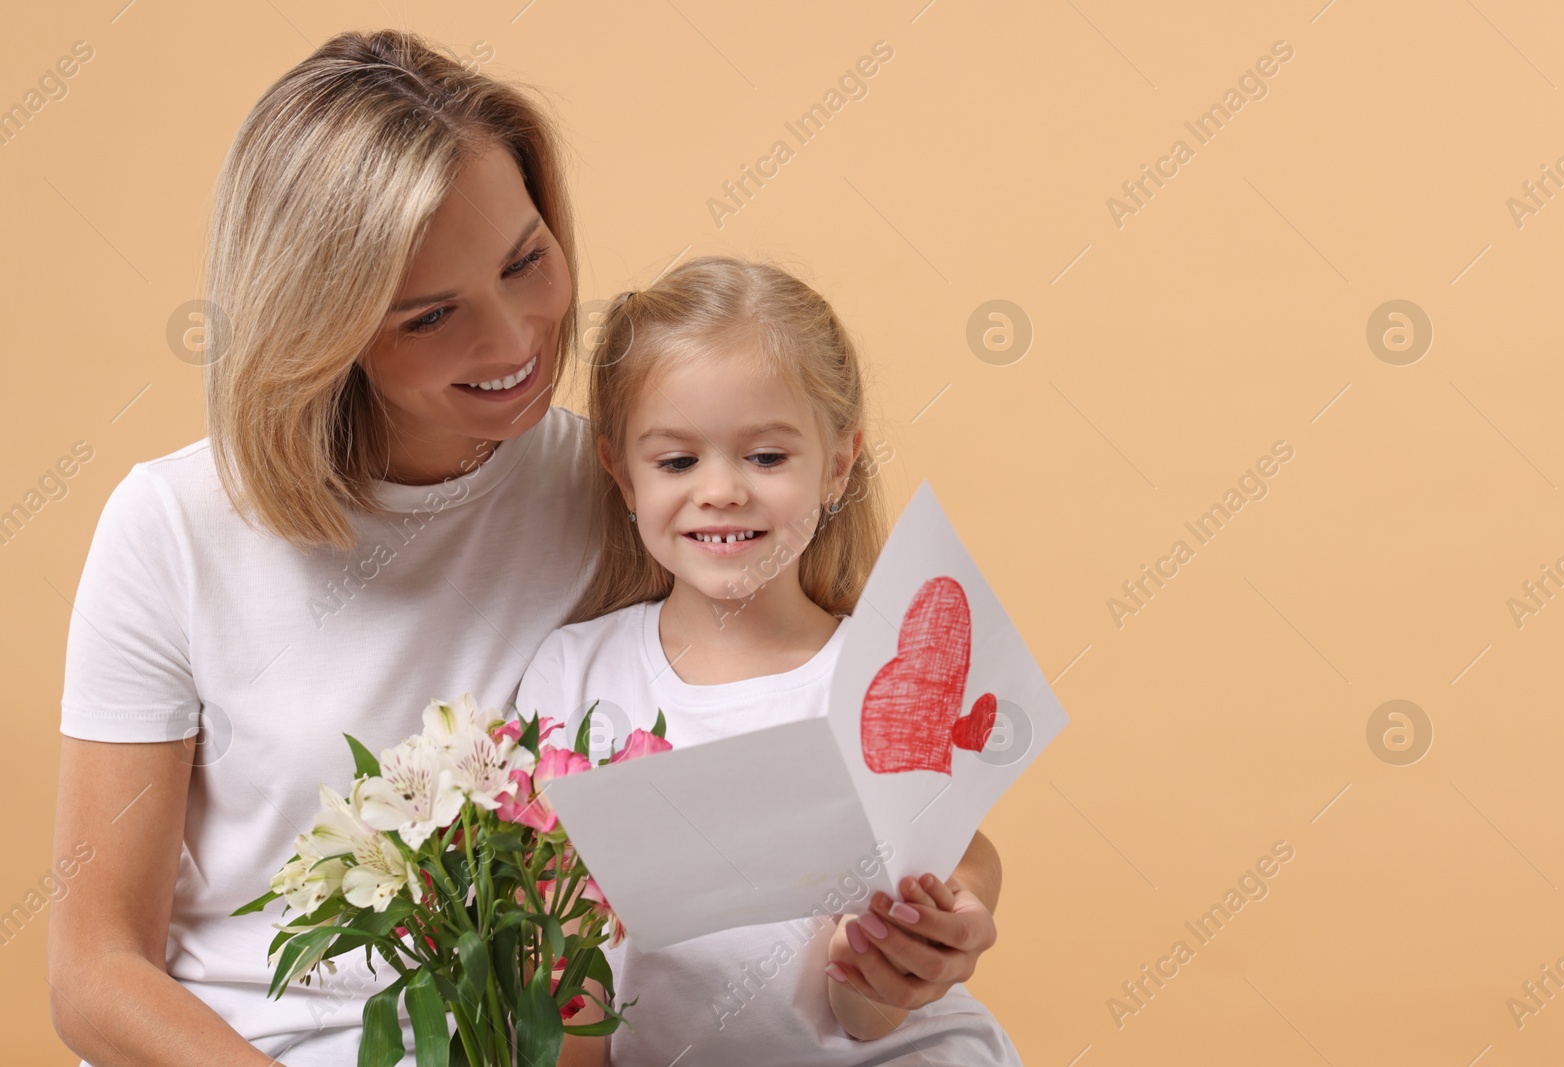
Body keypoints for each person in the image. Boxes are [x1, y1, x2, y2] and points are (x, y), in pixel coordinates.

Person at [47, 29, 1007, 1067]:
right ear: (320, 329)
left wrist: (924, 929)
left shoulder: (631, 482)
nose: (513, 342)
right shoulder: (174, 527)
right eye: (430, 315)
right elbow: (95, 971)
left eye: (526, 261)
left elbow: (838, 776)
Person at [516, 256, 1023, 1066]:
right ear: (621, 472)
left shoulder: (877, 680)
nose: (720, 490)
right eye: (677, 461)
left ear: (839, 464)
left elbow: (863, 1014)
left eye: (766, 457)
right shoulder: (572, 678)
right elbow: (555, 968)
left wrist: (896, 958)